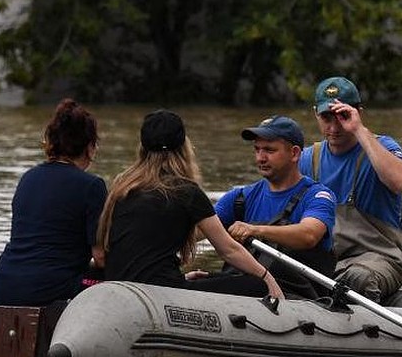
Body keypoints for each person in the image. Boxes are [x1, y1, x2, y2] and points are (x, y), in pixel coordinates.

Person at [95, 108, 284, 301]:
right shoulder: (186, 191)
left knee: (210, 277)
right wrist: (267, 278)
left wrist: (182, 279)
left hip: (120, 286)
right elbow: (229, 250)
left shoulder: (122, 186)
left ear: (142, 148)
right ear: (184, 147)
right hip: (162, 291)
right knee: (254, 284)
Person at [198, 115, 336, 299]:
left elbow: (309, 235)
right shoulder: (239, 198)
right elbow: (196, 232)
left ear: (294, 153)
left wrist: (255, 230)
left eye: (269, 150)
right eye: (257, 149)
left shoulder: (318, 196)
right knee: (198, 281)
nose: (261, 158)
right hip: (245, 286)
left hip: (298, 296)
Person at [300, 76, 402, 301]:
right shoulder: (307, 159)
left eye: (342, 117)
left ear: (357, 112)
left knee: (357, 279)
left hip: (379, 259)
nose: (334, 127)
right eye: (326, 117)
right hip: (326, 263)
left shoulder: (383, 147)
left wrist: (359, 129)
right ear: (316, 114)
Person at [0, 98, 107, 306]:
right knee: (114, 280)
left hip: (3, 284)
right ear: (89, 147)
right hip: (50, 290)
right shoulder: (92, 186)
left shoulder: (28, 178)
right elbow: (101, 257)